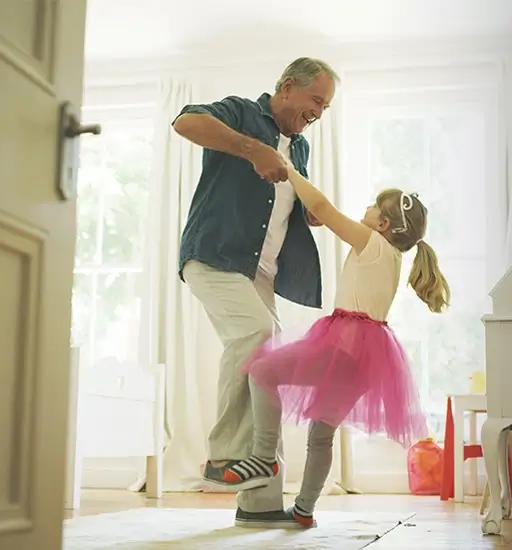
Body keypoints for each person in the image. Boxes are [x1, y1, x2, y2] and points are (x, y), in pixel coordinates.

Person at [221, 169, 447, 528]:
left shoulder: (371, 241)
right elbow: (324, 215)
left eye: (374, 205)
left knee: (262, 370)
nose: (368, 207)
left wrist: (290, 172)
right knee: (321, 435)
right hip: (366, 360)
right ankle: (304, 510)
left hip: (344, 345)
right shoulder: (392, 256)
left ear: (384, 224)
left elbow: (324, 208)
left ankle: (263, 457)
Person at [171, 57, 337, 528]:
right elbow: (185, 121)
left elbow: (279, 201)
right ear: (287, 87)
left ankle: (260, 503)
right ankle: (226, 456)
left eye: (325, 107)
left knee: (270, 370)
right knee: (256, 333)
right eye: (316, 100)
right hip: (214, 256)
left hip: (260, 274)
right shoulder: (242, 113)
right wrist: (251, 149)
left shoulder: (300, 147)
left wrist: (307, 212)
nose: (319, 112)